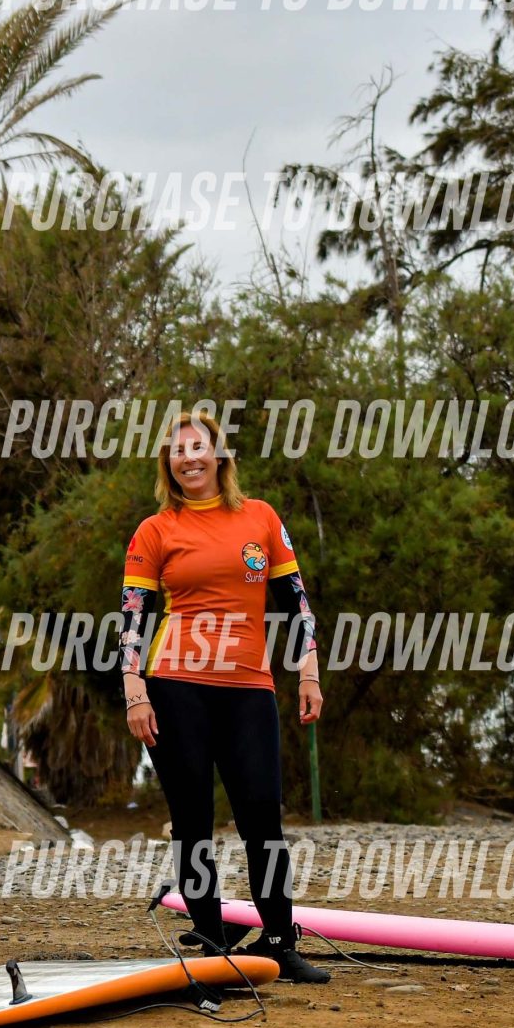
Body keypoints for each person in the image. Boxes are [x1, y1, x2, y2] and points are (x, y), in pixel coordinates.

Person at [119, 409, 330, 984]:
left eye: (198, 447)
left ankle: (280, 943)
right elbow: (134, 616)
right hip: (174, 687)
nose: (188, 458)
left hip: (248, 689)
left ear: (219, 455)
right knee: (192, 822)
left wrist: (308, 672)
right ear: (168, 463)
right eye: (177, 450)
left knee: (263, 818)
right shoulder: (155, 529)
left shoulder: (261, 517)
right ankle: (212, 948)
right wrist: (135, 689)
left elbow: (296, 603)